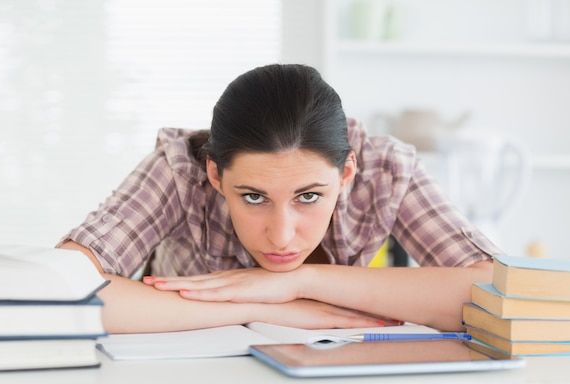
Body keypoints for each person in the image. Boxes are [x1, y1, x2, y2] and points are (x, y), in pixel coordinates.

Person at [58, 63, 500, 334]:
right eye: (253, 197)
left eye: (309, 195)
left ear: (346, 173)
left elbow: (500, 293)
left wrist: (299, 282)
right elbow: (58, 289)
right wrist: (258, 306)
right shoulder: (179, 169)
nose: (282, 234)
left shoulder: (384, 168)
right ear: (215, 172)